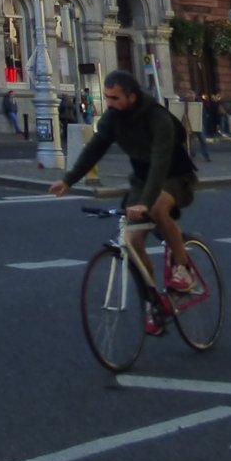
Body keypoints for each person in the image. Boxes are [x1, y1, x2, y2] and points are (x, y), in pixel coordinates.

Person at [50, 69, 200, 308]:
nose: (110, 103)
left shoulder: (157, 118)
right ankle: (155, 302)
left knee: (159, 208)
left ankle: (183, 269)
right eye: (107, 97)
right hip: (142, 180)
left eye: (115, 98)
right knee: (131, 238)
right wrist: (68, 180)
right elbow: (95, 148)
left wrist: (145, 202)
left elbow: (160, 161)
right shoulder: (112, 119)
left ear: (132, 96)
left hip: (175, 176)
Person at [183, 95, 210, 161]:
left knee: (203, 140)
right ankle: (191, 153)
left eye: (192, 97)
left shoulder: (198, 105)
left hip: (198, 124)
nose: (190, 99)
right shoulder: (184, 104)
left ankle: (206, 156)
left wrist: (202, 124)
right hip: (189, 125)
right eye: (189, 97)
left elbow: (202, 115)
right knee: (188, 141)